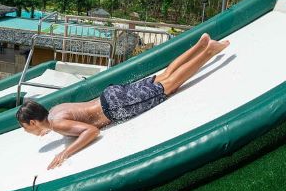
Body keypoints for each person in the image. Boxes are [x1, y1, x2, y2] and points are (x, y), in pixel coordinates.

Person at [17, 33, 229, 169]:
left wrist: (65, 152)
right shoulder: (54, 110)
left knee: (169, 85)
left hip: (116, 106)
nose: (28, 132)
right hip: (109, 96)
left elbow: (91, 131)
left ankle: (209, 51)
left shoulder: (57, 124)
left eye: (26, 128)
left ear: (34, 122)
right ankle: (201, 44)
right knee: (162, 77)